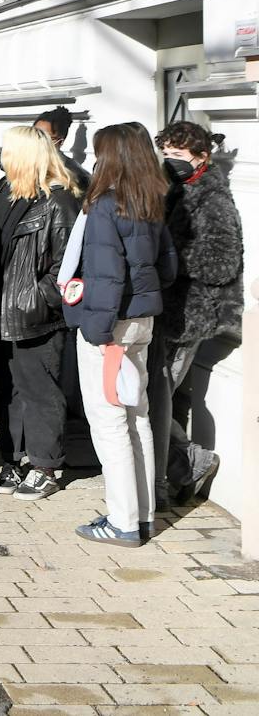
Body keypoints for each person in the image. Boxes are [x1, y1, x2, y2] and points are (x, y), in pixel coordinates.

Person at [63, 124, 177, 547]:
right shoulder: (151, 200)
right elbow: (167, 266)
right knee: (136, 416)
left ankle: (124, 521)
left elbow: (107, 277)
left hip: (109, 326)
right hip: (141, 322)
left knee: (109, 421)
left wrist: (94, 329)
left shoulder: (106, 206)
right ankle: (140, 515)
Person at [153, 121, 241, 505]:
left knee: (153, 397)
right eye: (167, 154)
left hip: (188, 315)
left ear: (202, 156)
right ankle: (182, 466)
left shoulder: (213, 197)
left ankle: (192, 460)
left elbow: (223, 262)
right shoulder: (171, 188)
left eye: (179, 155)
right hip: (163, 310)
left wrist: (169, 258)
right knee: (156, 396)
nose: (171, 161)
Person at [0, 126, 80, 501]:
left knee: (40, 389)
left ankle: (45, 466)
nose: (2, 157)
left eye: (8, 151)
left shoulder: (58, 202)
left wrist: (37, 298)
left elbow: (68, 265)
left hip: (35, 315)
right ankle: (13, 458)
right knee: (9, 389)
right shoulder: (4, 194)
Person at [35, 106, 91, 192]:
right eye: (34, 134)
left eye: (46, 137)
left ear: (60, 141)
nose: (37, 140)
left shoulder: (75, 175)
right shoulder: (21, 163)